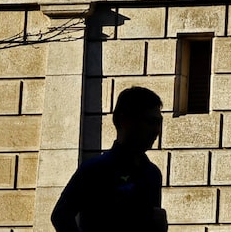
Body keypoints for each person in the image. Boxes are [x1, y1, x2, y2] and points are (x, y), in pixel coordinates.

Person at [51, 86, 169, 232]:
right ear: (125, 120)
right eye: (150, 121)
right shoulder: (94, 170)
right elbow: (60, 216)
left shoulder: (152, 173)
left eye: (159, 122)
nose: (157, 130)